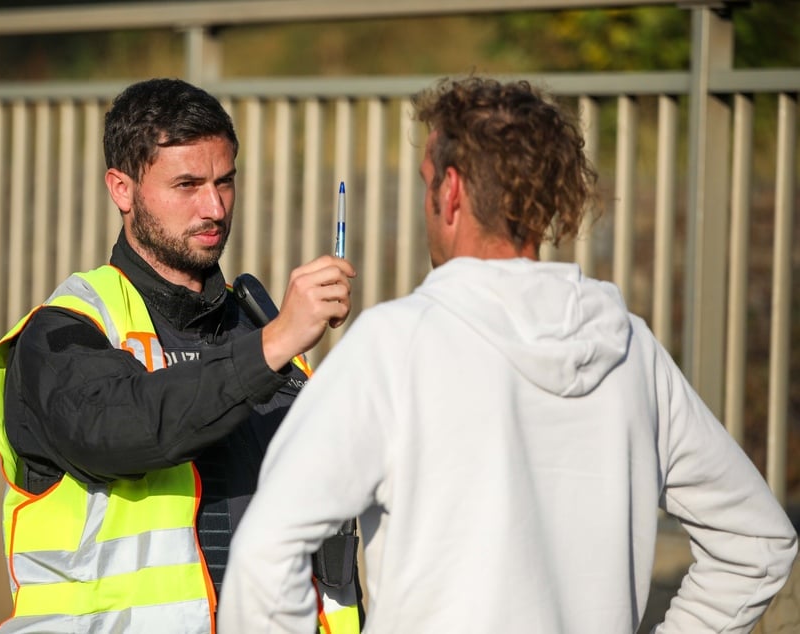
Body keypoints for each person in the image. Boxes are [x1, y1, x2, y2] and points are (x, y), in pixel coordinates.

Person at [217, 76, 798, 633]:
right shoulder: (629, 347)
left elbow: (267, 550)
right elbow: (758, 542)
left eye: (426, 182)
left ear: (450, 192)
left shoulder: (396, 347)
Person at [0, 77, 363, 633]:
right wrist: (274, 343)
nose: (214, 207)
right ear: (122, 189)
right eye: (186, 184)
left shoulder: (268, 345)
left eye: (225, 182)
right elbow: (132, 427)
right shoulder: (65, 332)